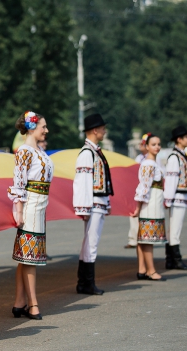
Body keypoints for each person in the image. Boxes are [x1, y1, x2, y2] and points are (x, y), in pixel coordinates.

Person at [8, 111, 54, 320]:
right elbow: (19, 183)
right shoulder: (25, 151)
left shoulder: (40, 152)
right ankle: (33, 304)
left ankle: (20, 302)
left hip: (40, 205)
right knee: (30, 258)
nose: (46, 130)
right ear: (32, 127)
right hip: (30, 206)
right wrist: (18, 211)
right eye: (43, 126)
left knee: (26, 257)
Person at [73, 113, 114, 295]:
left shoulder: (94, 151)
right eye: (103, 128)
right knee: (91, 242)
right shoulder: (87, 153)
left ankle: (85, 282)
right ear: (95, 130)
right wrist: (84, 207)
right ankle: (86, 283)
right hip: (93, 203)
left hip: (98, 201)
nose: (105, 131)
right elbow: (82, 182)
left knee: (90, 241)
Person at [131, 133, 166, 281]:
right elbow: (143, 187)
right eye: (153, 144)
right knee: (148, 238)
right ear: (146, 146)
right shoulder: (148, 164)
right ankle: (150, 270)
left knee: (144, 238)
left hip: (154, 200)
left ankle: (143, 269)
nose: (157, 147)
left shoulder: (153, 163)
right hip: (150, 202)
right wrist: (138, 207)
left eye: (158, 144)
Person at [163, 126, 187, 270]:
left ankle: (170, 260)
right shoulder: (175, 157)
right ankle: (176, 260)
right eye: (186, 137)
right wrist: (168, 199)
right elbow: (171, 179)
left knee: (173, 229)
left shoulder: (180, 156)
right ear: (179, 140)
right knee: (175, 229)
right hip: (177, 197)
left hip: (180, 196)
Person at [125, 133, 150, 249]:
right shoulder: (138, 158)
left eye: (143, 144)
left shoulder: (155, 159)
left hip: (149, 192)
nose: (141, 146)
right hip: (138, 190)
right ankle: (133, 239)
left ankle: (146, 238)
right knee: (134, 214)